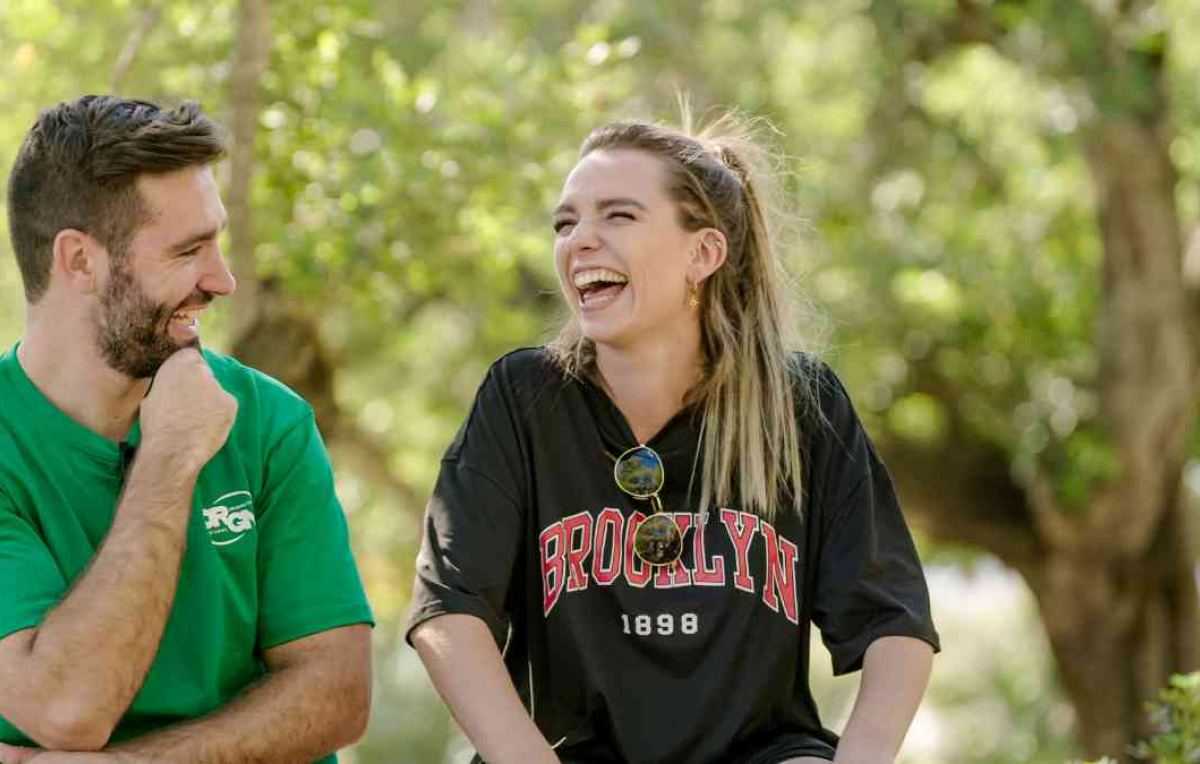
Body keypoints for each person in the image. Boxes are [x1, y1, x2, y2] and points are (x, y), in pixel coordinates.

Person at [407, 114, 940, 763]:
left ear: (703, 254)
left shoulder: (800, 407)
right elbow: (450, 616)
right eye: (566, 222)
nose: (580, 241)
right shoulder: (523, 401)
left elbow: (894, 624)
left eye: (619, 216)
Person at [0, 96, 373, 764]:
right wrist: (170, 456)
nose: (222, 279)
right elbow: (65, 710)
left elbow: (338, 692)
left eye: (218, 241)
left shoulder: (269, 421)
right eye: (188, 250)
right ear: (80, 261)